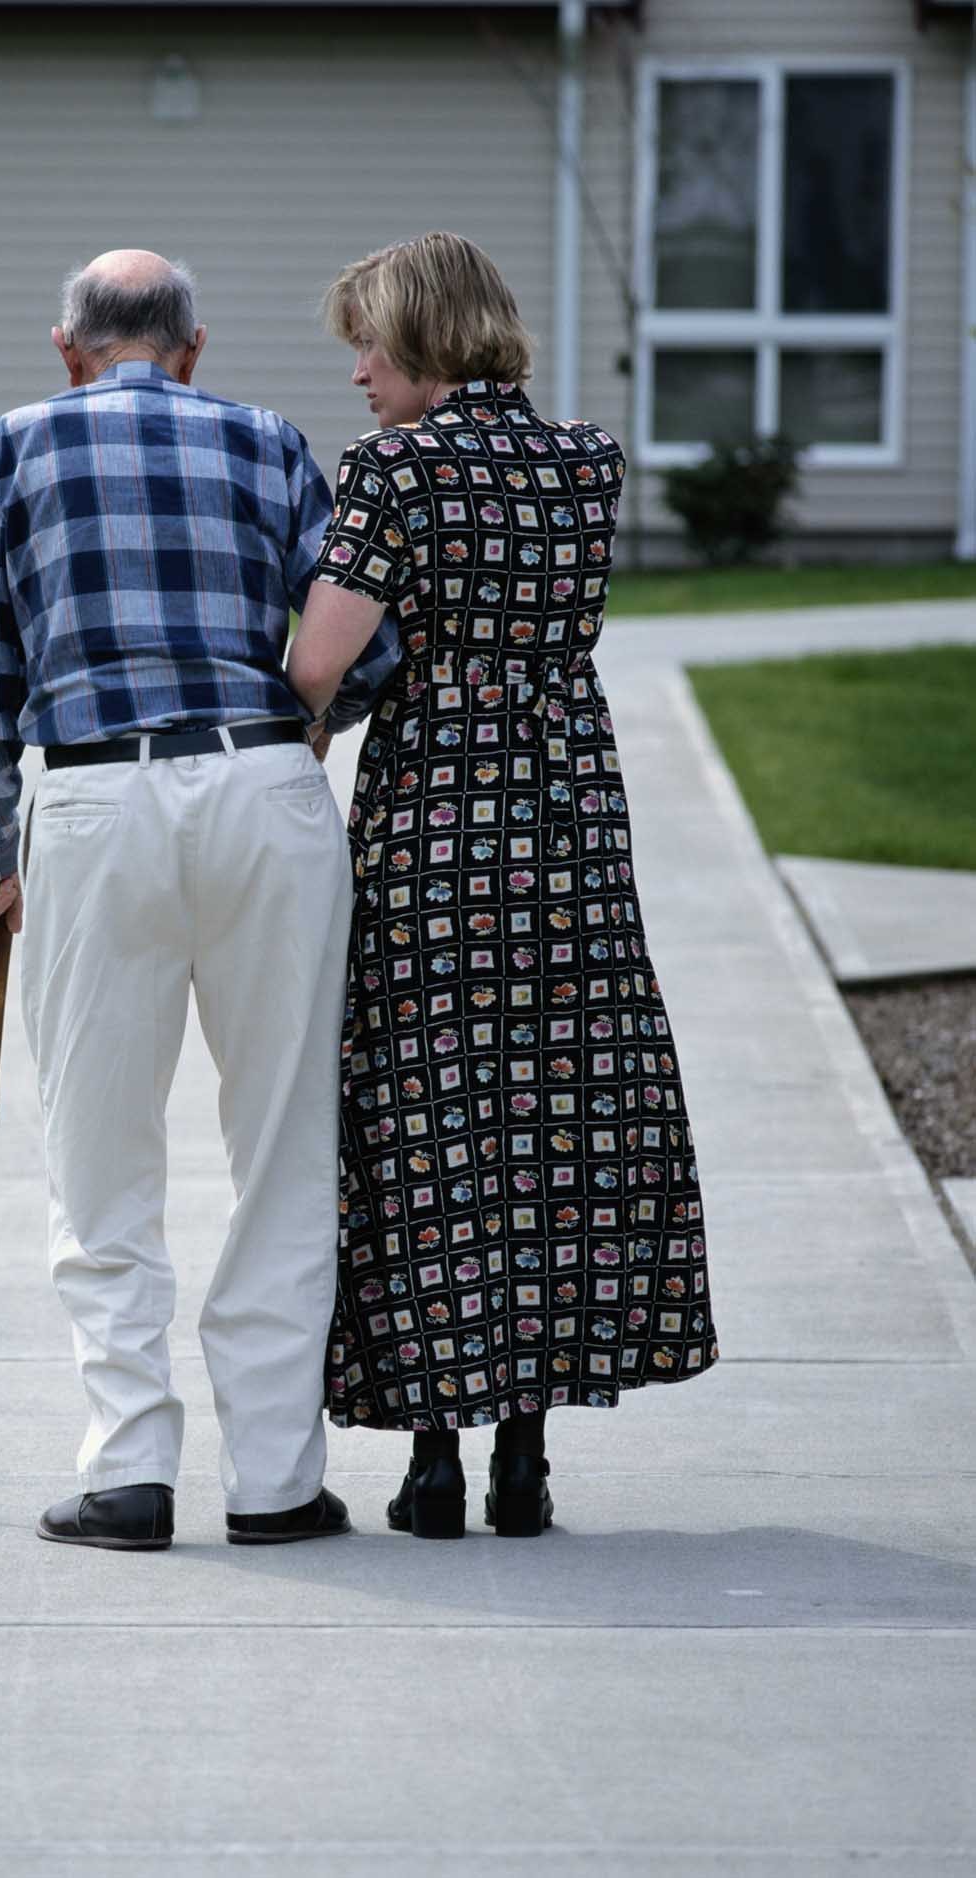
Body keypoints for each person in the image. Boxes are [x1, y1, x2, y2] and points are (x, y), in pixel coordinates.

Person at [0, 249, 399, 1552]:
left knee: (98, 1150)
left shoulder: (11, 446)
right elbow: (358, 635)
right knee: (281, 1146)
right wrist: (305, 728)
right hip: (262, 791)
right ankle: (271, 1479)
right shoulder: (269, 442)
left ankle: (129, 1469)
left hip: (93, 805)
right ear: (191, 348)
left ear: (67, 346)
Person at [285, 231, 718, 1541]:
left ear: (422, 338)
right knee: (556, 1118)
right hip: (571, 811)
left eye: (369, 341)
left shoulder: (393, 471)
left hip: (436, 825)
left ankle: (430, 1457)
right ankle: (522, 1462)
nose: (357, 370)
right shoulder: (586, 460)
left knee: (429, 1114)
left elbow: (318, 663)